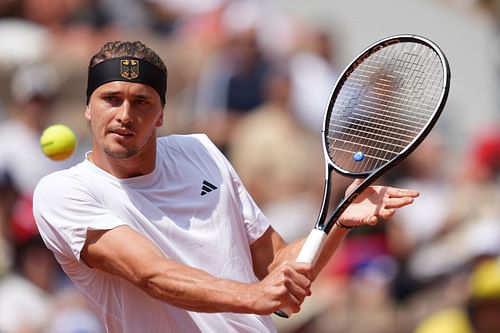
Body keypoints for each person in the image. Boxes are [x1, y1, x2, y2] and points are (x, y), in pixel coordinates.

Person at [32, 40, 419, 333]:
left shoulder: (200, 152)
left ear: (162, 113)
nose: (125, 115)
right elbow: (151, 274)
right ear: (87, 107)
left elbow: (276, 266)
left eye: (142, 102)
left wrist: (339, 221)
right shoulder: (62, 193)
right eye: (111, 99)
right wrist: (254, 295)